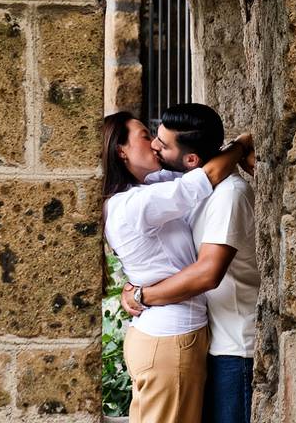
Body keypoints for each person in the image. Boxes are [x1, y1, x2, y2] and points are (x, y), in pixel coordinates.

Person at [102, 111, 253, 423]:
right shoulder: (137, 203)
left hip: (167, 337)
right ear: (121, 151)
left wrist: (140, 292)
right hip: (169, 340)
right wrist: (240, 147)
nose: (155, 145)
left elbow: (198, 175)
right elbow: (203, 177)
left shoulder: (146, 188)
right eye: (147, 136)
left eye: (160, 140)